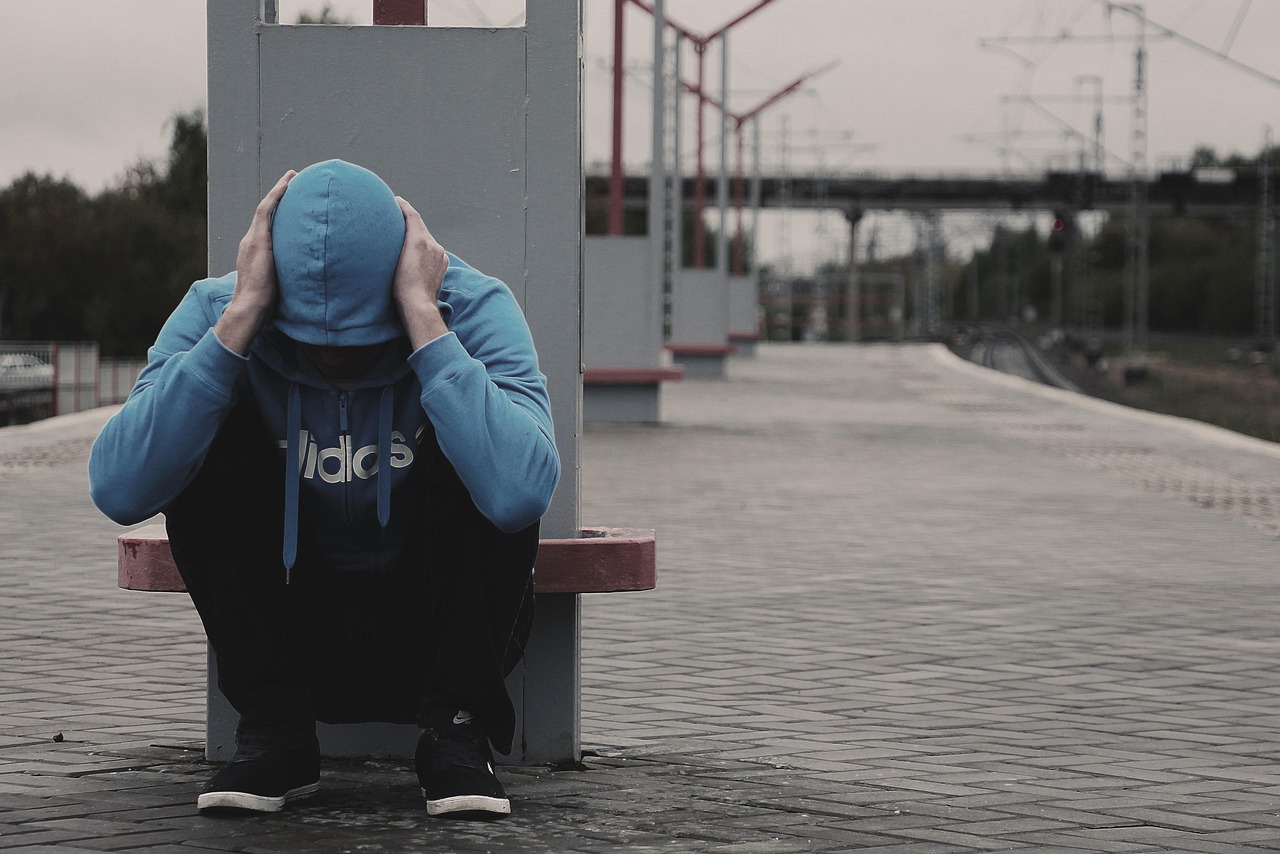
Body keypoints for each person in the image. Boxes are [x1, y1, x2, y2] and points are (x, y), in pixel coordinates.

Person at [88, 159, 559, 818]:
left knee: (487, 438)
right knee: (194, 431)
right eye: (309, 341)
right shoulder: (218, 309)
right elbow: (119, 489)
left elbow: (521, 494)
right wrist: (241, 319)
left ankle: (456, 733)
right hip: (297, 637)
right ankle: (274, 733)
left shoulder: (472, 306)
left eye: (363, 341)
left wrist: (426, 323)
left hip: (435, 634)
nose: (335, 357)